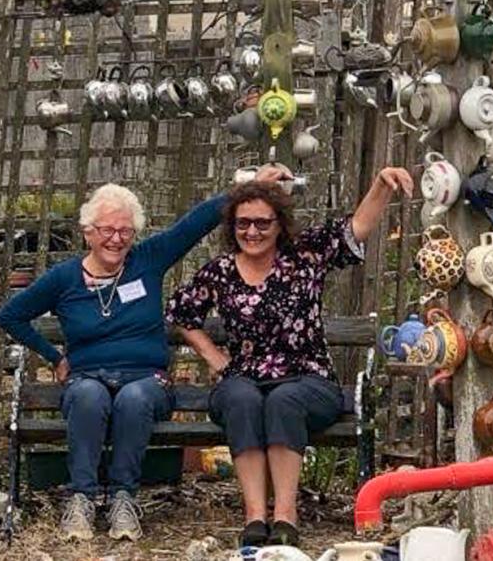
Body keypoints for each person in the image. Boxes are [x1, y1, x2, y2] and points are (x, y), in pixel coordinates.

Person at [0, 175, 279, 542]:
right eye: (107, 230)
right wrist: (53, 356)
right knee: (87, 396)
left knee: (135, 398)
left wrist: (248, 188)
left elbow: (195, 224)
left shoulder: (147, 260)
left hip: (147, 379)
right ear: (87, 232)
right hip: (88, 376)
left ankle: (123, 498)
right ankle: (81, 497)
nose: (116, 239)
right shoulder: (63, 278)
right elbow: (11, 316)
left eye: (126, 231)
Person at [166, 166, 413, 549]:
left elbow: (356, 229)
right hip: (244, 377)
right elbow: (182, 312)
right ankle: (254, 517)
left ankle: (285, 515)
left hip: (306, 377)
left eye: (262, 223)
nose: (252, 232)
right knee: (241, 399)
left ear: (280, 224)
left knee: (284, 400)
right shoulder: (219, 272)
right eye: (242, 223)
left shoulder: (305, 256)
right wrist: (215, 358)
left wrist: (381, 184)